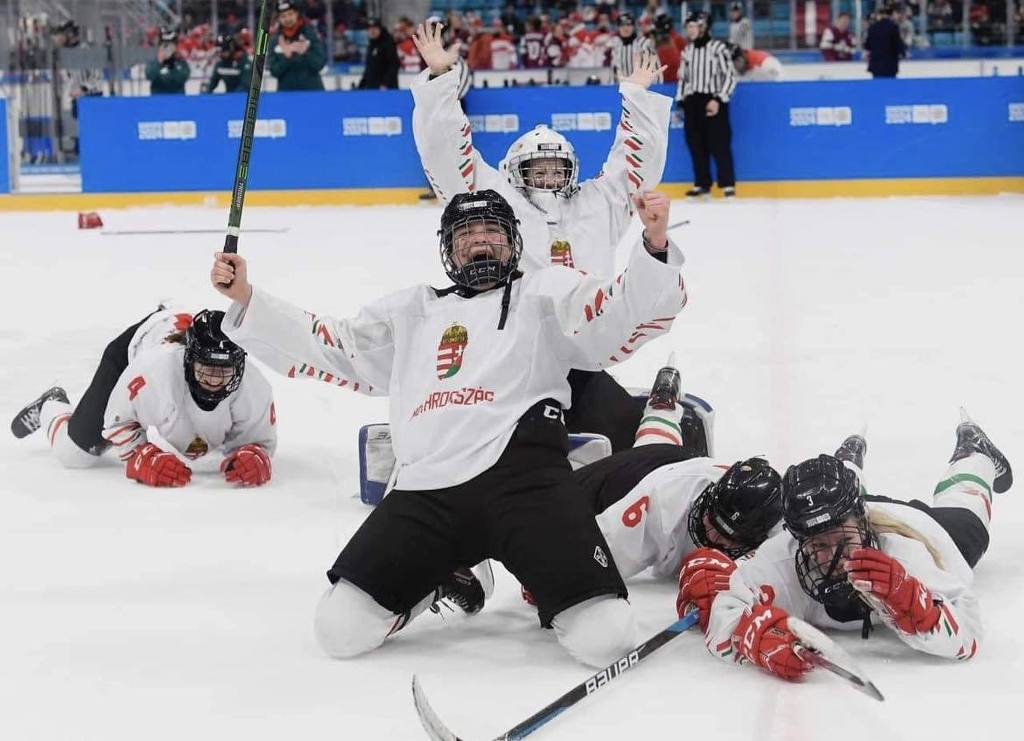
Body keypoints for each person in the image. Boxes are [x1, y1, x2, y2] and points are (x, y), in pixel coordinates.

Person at [208, 188, 688, 668]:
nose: (480, 242)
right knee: (340, 630)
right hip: (425, 493)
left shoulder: (547, 293)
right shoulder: (411, 312)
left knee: (605, 638)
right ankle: (448, 577)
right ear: (449, 248)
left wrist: (654, 244)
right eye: (467, 233)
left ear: (513, 242)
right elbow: (334, 345)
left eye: (492, 232)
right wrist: (247, 299)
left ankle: (550, 582)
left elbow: (618, 310)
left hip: (528, 488)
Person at [411, 20, 673, 453]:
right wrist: (441, 80)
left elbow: (634, 166)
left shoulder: (597, 203)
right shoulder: (496, 203)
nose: (549, 177)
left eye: (556, 169)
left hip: (582, 356)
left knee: (626, 440)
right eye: (538, 169)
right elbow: (447, 156)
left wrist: (638, 98)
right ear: (517, 171)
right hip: (509, 355)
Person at [686, 415, 1012, 682]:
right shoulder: (779, 560)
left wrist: (916, 606)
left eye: (842, 541)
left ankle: (975, 454)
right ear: (796, 538)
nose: (833, 558)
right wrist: (753, 638)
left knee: (970, 521)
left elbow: (968, 633)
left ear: (863, 522)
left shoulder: (906, 552)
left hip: (923, 526)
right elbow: (725, 615)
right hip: (855, 511)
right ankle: (847, 461)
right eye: (817, 545)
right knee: (835, 503)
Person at [573, 362, 782, 600]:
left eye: (726, 536)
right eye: (712, 523)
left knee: (655, 446)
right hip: (652, 472)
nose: (711, 537)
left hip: (688, 465)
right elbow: (590, 560)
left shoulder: (780, 529)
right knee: (571, 497)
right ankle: (660, 409)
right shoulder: (663, 503)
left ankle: (663, 408)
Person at [10, 309, 277, 488]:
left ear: (240, 366)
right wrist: (139, 454)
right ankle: (51, 403)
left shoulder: (253, 386)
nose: (216, 381)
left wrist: (253, 454)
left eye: (225, 371)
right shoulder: (153, 371)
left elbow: (258, 441)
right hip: (132, 349)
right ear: (187, 360)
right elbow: (117, 422)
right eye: (207, 369)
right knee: (74, 454)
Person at [677, 11, 737, 198]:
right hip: (693, 101)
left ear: (703, 27)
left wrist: (718, 99)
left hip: (713, 99)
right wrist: (681, 99)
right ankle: (702, 184)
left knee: (719, 143)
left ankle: (727, 184)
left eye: (693, 26)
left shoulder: (718, 48)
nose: (690, 30)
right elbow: (684, 78)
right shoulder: (687, 50)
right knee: (696, 144)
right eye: (688, 27)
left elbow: (730, 76)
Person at [269, 0, 326, 91]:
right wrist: (286, 58)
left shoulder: (310, 34)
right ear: (278, 19)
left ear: (296, 14)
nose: (287, 19)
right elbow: (274, 72)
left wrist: (306, 53)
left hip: (312, 93)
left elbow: (319, 64)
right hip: (286, 95)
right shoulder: (275, 40)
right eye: (283, 16)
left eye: (290, 14)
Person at [609, 12, 658, 81]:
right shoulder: (616, 45)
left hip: (642, 86)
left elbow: (655, 68)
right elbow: (614, 71)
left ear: (633, 26)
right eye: (622, 25)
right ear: (618, 27)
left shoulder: (644, 43)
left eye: (628, 25)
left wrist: (657, 87)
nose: (625, 28)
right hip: (623, 87)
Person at [863, 4, 906, 78]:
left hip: (875, 64)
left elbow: (867, 45)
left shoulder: (872, 27)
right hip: (890, 64)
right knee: (890, 87)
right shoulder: (893, 27)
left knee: (877, 86)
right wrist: (902, 53)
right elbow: (897, 44)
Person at [357, 16, 400, 89]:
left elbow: (394, 64)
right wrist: (361, 85)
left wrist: (385, 83)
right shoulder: (371, 44)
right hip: (372, 88)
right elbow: (369, 68)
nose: (372, 31)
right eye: (370, 28)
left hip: (386, 89)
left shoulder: (387, 43)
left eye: (375, 28)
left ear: (380, 29)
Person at [145, 27, 190, 95]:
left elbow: (182, 78)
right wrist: (159, 61)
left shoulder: (181, 63)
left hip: (177, 101)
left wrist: (172, 64)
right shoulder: (154, 63)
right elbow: (150, 75)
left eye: (171, 46)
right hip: (158, 101)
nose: (167, 49)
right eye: (164, 46)